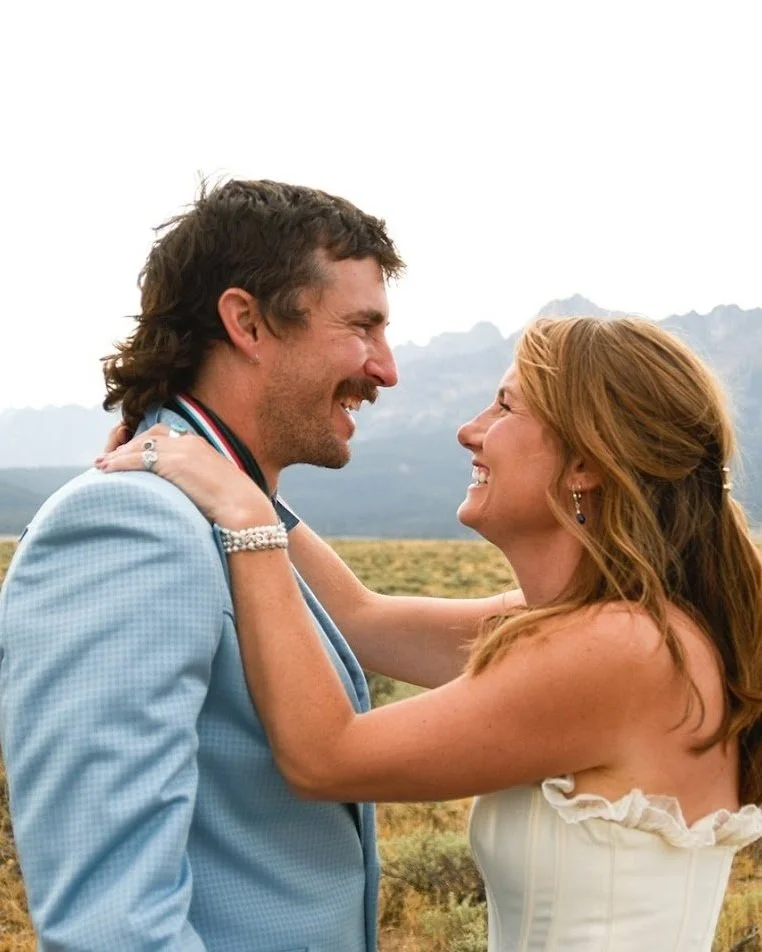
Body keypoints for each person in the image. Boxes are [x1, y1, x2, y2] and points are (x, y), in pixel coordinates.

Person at [98, 315, 762, 951]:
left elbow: (325, 756)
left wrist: (244, 519)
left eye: (505, 407)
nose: (470, 431)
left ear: (586, 460)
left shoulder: (622, 650)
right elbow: (361, 621)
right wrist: (222, 466)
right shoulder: (605, 630)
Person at [0, 179, 518, 952]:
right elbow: (113, 926)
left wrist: (244, 502)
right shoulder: (129, 522)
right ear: (246, 321)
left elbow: (366, 620)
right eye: (363, 327)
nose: (387, 369)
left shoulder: (232, 521)